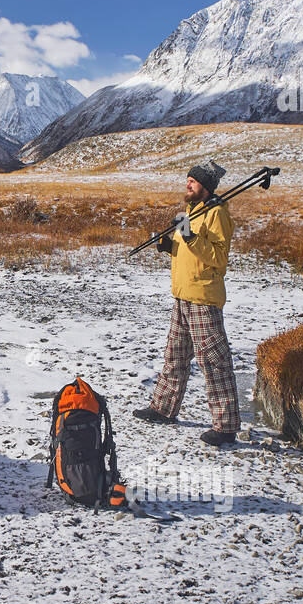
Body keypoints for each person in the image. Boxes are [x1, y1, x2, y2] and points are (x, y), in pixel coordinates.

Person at [132, 161, 241, 446]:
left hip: (204, 297)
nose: (187, 184)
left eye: (192, 181)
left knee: (214, 362)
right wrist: (171, 247)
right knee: (175, 357)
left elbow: (218, 258)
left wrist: (189, 236)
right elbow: (190, 253)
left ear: (205, 186)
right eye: (187, 179)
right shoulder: (194, 211)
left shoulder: (217, 213)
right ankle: (163, 409)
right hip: (183, 295)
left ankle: (226, 425)